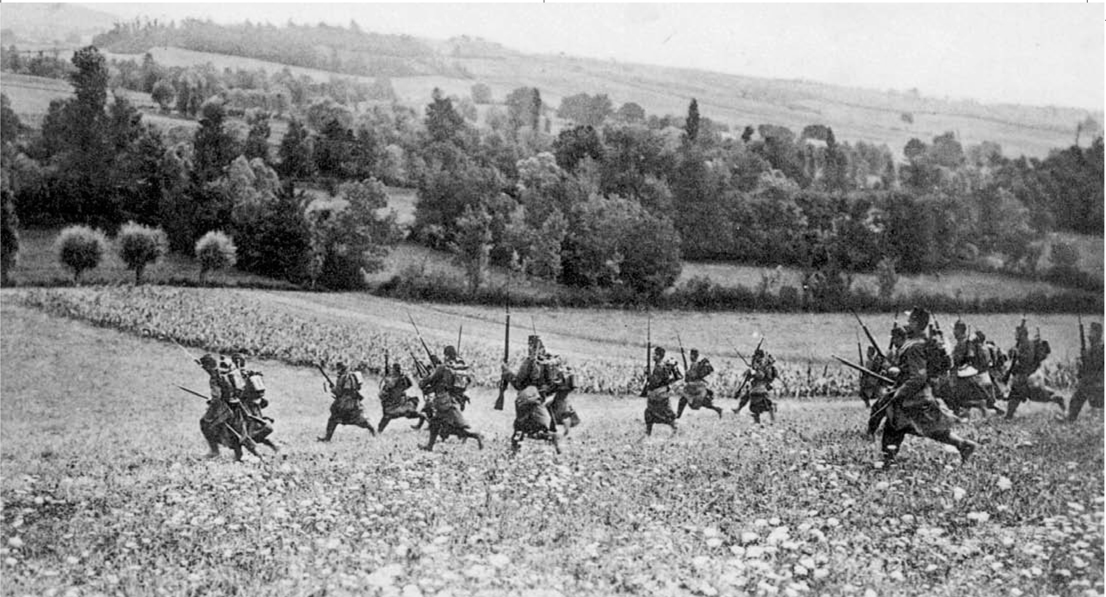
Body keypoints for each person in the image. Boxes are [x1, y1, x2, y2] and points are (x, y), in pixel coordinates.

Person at [879, 307, 979, 467]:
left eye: (910, 320)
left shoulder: (914, 346)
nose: (907, 322)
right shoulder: (920, 343)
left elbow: (918, 377)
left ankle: (887, 461)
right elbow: (913, 371)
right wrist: (896, 372)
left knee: (922, 428)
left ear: (916, 323)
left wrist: (900, 391)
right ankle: (887, 460)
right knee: (898, 426)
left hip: (913, 397)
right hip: (917, 395)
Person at [502, 335, 562, 453]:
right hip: (541, 398)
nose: (529, 349)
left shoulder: (530, 362)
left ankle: (513, 455)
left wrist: (506, 372)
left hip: (527, 398)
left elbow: (518, 383)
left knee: (521, 429)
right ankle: (514, 454)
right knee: (522, 429)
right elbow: (552, 384)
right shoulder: (549, 363)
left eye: (530, 346)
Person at [419, 346, 484, 451]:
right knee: (436, 423)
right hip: (457, 399)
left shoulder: (443, 367)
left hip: (444, 400)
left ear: (446, 355)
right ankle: (429, 446)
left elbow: (429, 380)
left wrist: (423, 381)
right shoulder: (462, 367)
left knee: (444, 426)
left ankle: (476, 436)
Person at [1004, 320, 1064, 419]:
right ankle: (1008, 416)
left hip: (1029, 377)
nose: (1015, 335)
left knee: (1038, 396)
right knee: (1015, 397)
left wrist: (1017, 354)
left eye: (1017, 333)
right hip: (1023, 378)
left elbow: (1028, 359)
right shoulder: (1021, 344)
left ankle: (1060, 401)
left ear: (1022, 334)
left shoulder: (1028, 345)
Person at [317, 362, 376, 442]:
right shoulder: (352, 376)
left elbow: (340, 392)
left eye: (338, 368)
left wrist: (333, 389)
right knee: (358, 419)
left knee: (334, 419)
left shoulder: (344, 377)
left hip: (344, 404)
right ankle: (372, 430)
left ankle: (327, 438)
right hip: (354, 403)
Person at [230, 353, 278, 450]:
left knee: (240, 430)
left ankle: (244, 454)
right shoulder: (250, 373)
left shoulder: (238, 375)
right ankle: (275, 446)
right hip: (254, 406)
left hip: (245, 406)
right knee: (254, 430)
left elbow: (238, 391)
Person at [1068, 322, 1103, 422]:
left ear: (1097, 333)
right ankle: (1070, 420)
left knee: (1097, 405)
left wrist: (1086, 357)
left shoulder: (1102, 348)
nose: (1088, 335)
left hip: (1098, 384)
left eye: (1091, 332)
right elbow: (1084, 369)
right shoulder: (1089, 349)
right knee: (1075, 399)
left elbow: (1095, 365)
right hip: (1089, 383)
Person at [643, 347, 682, 436]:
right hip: (659, 394)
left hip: (659, 394)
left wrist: (648, 375)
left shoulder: (660, 367)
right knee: (650, 413)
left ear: (659, 356)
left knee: (662, 414)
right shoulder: (662, 365)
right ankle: (648, 432)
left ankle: (675, 428)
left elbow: (655, 382)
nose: (653, 356)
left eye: (655, 354)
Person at [377, 363, 425, 433]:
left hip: (397, 403)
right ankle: (379, 431)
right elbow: (408, 385)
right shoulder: (402, 378)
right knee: (388, 415)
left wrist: (387, 379)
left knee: (388, 415)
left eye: (392, 370)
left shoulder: (395, 379)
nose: (391, 371)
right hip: (397, 401)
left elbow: (388, 387)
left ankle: (379, 431)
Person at [736, 348, 779, 425]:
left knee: (767, 405)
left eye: (757, 356)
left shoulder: (765, 367)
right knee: (754, 407)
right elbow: (749, 377)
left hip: (761, 388)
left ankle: (772, 420)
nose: (755, 358)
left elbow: (763, 376)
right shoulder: (758, 365)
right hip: (755, 389)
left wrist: (755, 371)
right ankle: (757, 422)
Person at [677, 348, 723, 418]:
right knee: (702, 403)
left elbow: (693, 376)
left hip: (695, 387)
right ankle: (717, 409)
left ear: (692, 356)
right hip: (698, 387)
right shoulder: (696, 364)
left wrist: (687, 372)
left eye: (691, 355)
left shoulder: (694, 365)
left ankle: (678, 415)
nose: (689, 357)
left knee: (684, 399)